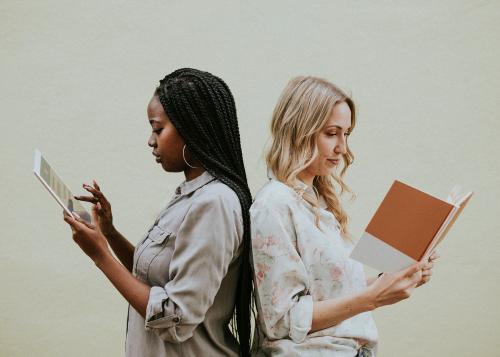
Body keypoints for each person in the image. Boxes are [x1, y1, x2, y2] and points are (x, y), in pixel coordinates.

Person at [63, 68, 253, 357]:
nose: (151, 141)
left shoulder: (215, 204)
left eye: (158, 129)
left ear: (191, 129)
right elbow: (152, 278)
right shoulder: (190, 195)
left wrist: (99, 254)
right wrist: (110, 233)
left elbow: (175, 318)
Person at [250, 76, 439, 357]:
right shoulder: (274, 205)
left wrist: (396, 278)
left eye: (346, 134)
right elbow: (281, 321)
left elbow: (335, 294)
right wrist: (373, 299)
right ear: (299, 130)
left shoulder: (319, 200)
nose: (342, 147)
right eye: (331, 133)